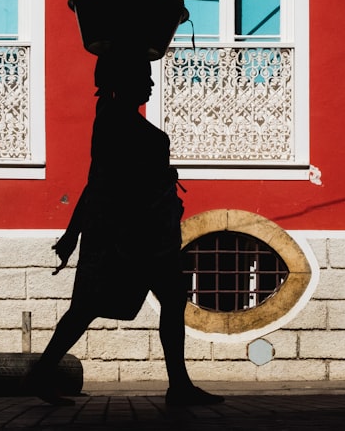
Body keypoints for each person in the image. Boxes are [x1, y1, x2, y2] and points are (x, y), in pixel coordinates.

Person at [26, 54, 223, 407]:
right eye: (143, 78)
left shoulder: (117, 122)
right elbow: (99, 183)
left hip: (143, 233)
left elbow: (98, 183)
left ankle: (178, 384)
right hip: (129, 235)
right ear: (124, 83)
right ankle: (44, 371)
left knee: (158, 299)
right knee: (87, 307)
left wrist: (74, 234)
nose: (150, 84)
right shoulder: (114, 123)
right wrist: (74, 233)